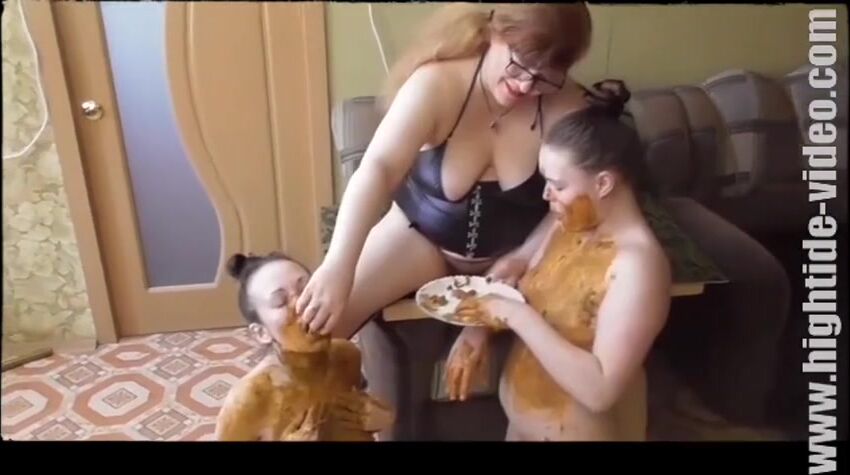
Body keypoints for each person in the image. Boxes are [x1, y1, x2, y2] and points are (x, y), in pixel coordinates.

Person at [295, 2, 630, 340]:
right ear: (494, 32)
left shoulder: (569, 107)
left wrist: (525, 255)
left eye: (544, 77)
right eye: (518, 64)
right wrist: (338, 266)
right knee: (311, 333)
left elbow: (576, 201)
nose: (526, 85)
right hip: (418, 239)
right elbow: (378, 169)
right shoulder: (436, 84)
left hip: (515, 258)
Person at [446, 106, 672, 441]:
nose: (545, 195)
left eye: (558, 185)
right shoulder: (569, 219)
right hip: (522, 425)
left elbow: (600, 389)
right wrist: (476, 328)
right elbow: (515, 263)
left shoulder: (638, 267)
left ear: (604, 183)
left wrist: (514, 314)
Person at [215, 252, 394, 441]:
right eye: (280, 301)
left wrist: (379, 417)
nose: (302, 304)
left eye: (307, 289)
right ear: (262, 333)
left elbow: (359, 409)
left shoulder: (346, 356)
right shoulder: (251, 397)